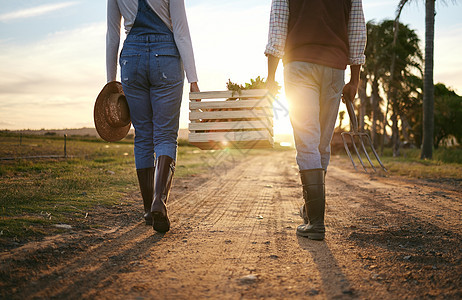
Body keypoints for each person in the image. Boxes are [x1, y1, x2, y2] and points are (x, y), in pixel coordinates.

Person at [265, 0, 366, 240]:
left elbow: (278, 23)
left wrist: (270, 75)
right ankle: (312, 211)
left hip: (299, 63)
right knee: (321, 143)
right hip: (334, 67)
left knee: (307, 141)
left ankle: (316, 220)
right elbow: (357, 29)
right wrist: (354, 79)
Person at [106, 0, 199, 233]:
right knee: (166, 135)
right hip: (166, 57)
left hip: (131, 59)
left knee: (143, 137)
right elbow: (181, 30)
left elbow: (112, 35)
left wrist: (110, 82)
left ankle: (148, 209)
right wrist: (193, 78)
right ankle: (159, 200)